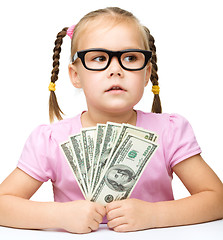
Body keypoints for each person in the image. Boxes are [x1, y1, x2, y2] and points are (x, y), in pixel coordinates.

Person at [0, 6, 223, 234]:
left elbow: (217, 199)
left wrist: (155, 215)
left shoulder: (170, 132)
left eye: (130, 57)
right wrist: (60, 215)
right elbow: (2, 204)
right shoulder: (49, 141)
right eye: (99, 58)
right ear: (76, 75)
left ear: (146, 74)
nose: (116, 70)